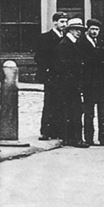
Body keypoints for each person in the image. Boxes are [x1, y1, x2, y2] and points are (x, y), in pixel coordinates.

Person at [80, 19, 104, 146]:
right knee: (89, 112)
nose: (94, 32)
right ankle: (89, 138)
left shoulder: (100, 43)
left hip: (101, 84)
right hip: (88, 84)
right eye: (92, 29)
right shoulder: (82, 43)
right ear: (87, 30)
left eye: (96, 29)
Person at [51, 17, 88, 147]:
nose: (79, 32)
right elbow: (63, 67)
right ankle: (75, 139)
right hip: (69, 85)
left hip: (71, 84)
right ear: (70, 30)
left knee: (72, 111)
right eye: (77, 29)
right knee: (74, 111)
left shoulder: (73, 43)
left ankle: (70, 138)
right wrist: (75, 83)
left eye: (80, 30)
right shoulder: (65, 45)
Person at [34, 11, 68, 140]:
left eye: (65, 22)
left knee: (62, 102)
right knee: (50, 103)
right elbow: (39, 57)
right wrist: (47, 71)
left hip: (63, 76)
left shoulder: (65, 37)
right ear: (55, 22)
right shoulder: (45, 37)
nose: (64, 25)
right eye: (62, 22)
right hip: (52, 76)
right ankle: (46, 131)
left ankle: (59, 130)